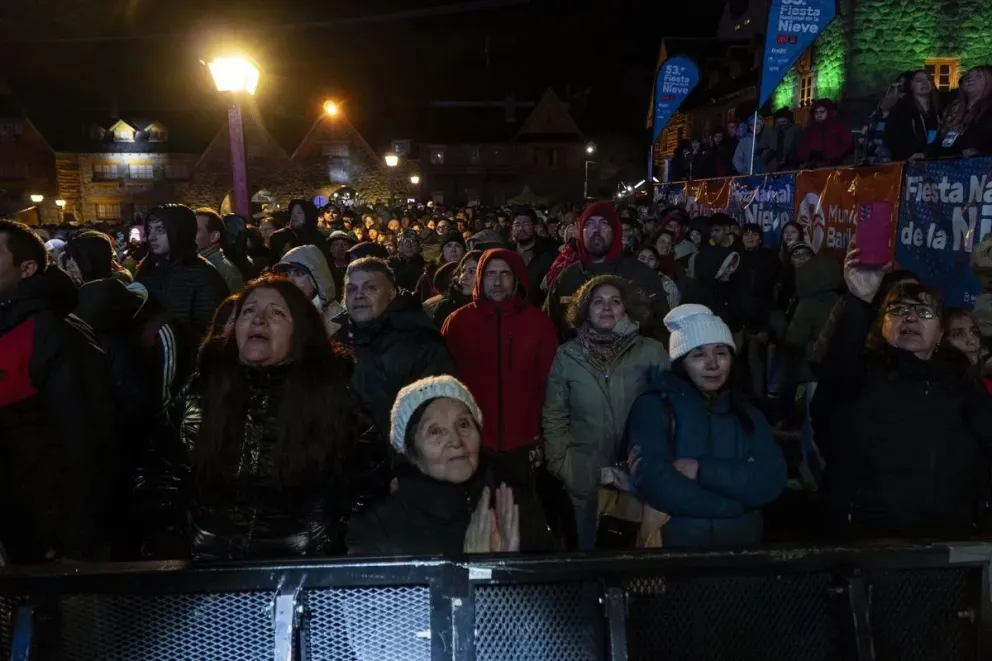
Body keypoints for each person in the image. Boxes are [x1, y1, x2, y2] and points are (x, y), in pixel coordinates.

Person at [166, 276, 361, 560]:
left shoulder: (335, 401)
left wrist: (325, 547)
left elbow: (366, 488)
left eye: (277, 312)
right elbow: (160, 469)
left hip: (299, 579)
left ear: (300, 333)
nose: (258, 320)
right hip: (203, 572)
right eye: (248, 311)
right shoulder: (201, 391)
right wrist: (172, 537)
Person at [811, 242, 992, 540]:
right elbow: (835, 371)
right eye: (898, 310)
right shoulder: (861, 376)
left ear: (940, 335)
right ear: (881, 325)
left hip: (949, 547)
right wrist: (859, 300)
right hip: (870, 546)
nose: (910, 317)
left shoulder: (963, 385)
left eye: (924, 311)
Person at [0, 220, 116, 562]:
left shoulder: (53, 333)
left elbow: (83, 436)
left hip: (41, 525)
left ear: (27, 268)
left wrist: (75, 536)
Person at [625, 304, 786, 547]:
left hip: (742, 560)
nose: (712, 364)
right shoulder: (655, 406)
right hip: (678, 560)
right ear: (681, 362)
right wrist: (732, 505)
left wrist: (701, 470)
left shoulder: (748, 413)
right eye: (698, 355)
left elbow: (770, 479)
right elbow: (654, 481)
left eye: (721, 353)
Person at [346, 376, 551, 555]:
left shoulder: (514, 502)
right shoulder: (380, 526)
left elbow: (551, 593)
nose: (455, 441)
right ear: (411, 453)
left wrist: (510, 570)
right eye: (435, 431)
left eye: (463, 424)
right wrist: (474, 571)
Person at [543, 276, 670, 549]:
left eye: (615, 301)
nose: (606, 307)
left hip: (640, 478)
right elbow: (555, 414)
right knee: (587, 559)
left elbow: (668, 409)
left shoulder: (651, 352)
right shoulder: (567, 356)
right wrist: (563, 465)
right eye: (597, 301)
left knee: (634, 561)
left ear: (627, 308)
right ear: (585, 309)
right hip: (585, 477)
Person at [442, 249, 558, 488]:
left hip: (523, 441)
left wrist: (544, 436)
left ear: (516, 280)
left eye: (505, 274)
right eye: (490, 274)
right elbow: (445, 381)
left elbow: (551, 383)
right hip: (471, 442)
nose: (497, 281)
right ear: (480, 278)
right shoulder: (458, 322)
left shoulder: (537, 323)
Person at [342, 257, 454, 446]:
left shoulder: (420, 344)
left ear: (392, 293)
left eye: (370, 288)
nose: (359, 295)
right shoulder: (339, 340)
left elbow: (435, 419)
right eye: (352, 289)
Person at [545, 201, 670, 341]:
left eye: (604, 223)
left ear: (615, 230)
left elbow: (662, 329)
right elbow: (549, 329)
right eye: (589, 224)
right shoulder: (566, 278)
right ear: (580, 231)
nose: (596, 230)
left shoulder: (641, 275)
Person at [136, 204, 230, 346]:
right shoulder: (148, 271)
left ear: (179, 231)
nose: (152, 237)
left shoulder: (204, 276)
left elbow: (211, 333)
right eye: (149, 230)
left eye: (160, 230)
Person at [274, 245, 346, 337]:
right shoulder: (285, 313)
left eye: (298, 273)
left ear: (316, 276)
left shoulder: (338, 319)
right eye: (287, 274)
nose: (290, 280)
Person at [932, 65, 992, 158]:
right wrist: (925, 153)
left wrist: (981, 153)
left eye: (978, 76)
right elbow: (942, 141)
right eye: (968, 76)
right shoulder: (953, 110)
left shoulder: (988, 112)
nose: (970, 79)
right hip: (948, 166)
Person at [883, 70, 941, 161]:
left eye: (928, 79)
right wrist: (910, 154)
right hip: (910, 161)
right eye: (919, 80)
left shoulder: (940, 108)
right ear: (911, 85)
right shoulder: (900, 110)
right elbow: (893, 138)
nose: (925, 83)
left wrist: (929, 153)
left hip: (937, 160)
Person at [511, 208, 557, 307]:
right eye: (517, 225)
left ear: (534, 227)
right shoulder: (506, 252)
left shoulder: (548, 252)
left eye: (525, 224)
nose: (521, 229)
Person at [423, 250, 479, 329]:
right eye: (463, 271)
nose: (463, 277)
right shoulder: (446, 308)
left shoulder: (496, 309)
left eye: (472, 271)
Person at [193, 209, 244, 293]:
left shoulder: (224, 271)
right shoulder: (195, 264)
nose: (188, 234)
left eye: (195, 230)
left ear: (214, 236)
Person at [797, 99, 854, 167]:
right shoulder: (809, 130)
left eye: (822, 112)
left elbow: (847, 145)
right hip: (813, 168)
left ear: (829, 112)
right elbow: (802, 148)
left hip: (835, 166)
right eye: (816, 112)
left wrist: (834, 156)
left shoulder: (840, 128)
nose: (819, 115)